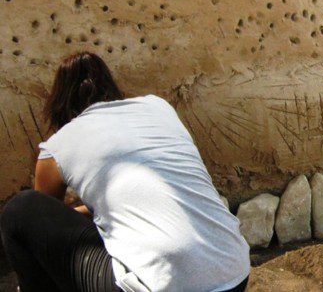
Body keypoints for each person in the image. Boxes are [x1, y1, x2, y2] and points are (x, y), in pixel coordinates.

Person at [0, 52, 250, 292]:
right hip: (234, 273)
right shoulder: (158, 107)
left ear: (60, 101)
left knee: (20, 208)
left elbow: (45, 223)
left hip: (159, 285)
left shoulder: (56, 147)